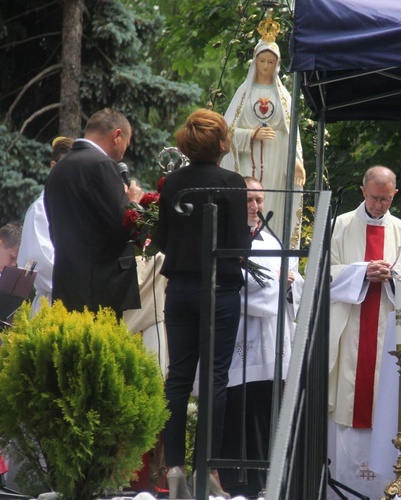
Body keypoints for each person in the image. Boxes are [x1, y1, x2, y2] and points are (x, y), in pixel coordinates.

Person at [154, 108, 247, 499]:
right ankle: (207, 468)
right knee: (214, 380)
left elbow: (160, 238)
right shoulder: (231, 183)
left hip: (179, 289)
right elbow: (240, 246)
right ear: (222, 143)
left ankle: (173, 465)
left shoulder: (172, 183)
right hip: (220, 290)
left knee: (177, 378)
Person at [328, 165, 401, 498]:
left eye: (386, 199)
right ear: (363, 191)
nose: (379, 205)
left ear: (394, 195)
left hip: (390, 335)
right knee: (347, 408)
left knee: (386, 409)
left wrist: (395, 276)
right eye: (374, 198)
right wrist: (360, 272)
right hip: (348, 336)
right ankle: (341, 489)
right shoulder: (339, 227)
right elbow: (319, 274)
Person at [219, 177, 303, 496]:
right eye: (248, 201)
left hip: (271, 341)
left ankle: (268, 482)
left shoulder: (272, 241)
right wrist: (278, 285)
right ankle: (238, 484)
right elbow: (233, 285)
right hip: (241, 338)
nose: (255, 207)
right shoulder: (228, 241)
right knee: (240, 412)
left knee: (267, 413)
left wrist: (291, 283)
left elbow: (291, 283)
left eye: (259, 200)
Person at [44, 108, 143, 317]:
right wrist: (133, 202)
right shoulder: (102, 165)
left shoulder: (60, 168)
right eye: (127, 140)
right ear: (116, 136)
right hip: (100, 288)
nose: (127, 148)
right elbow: (121, 227)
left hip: (67, 280)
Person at [220, 19, 306, 247]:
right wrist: (250, 134)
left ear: (277, 64)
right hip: (247, 160)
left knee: (274, 205)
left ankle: (276, 249)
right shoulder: (244, 93)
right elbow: (227, 132)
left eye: (270, 62)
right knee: (248, 202)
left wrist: (296, 161)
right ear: (255, 62)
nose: (266, 66)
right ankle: (241, 248)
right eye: (262, 61)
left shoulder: (283, 96)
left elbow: (292, 133)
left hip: (277, 159)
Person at [17, 136, 74, 314]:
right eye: (68, 168)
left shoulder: (75, 206)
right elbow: (42, 263)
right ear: (53, 167)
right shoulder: (41, 209)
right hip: (52, 303)